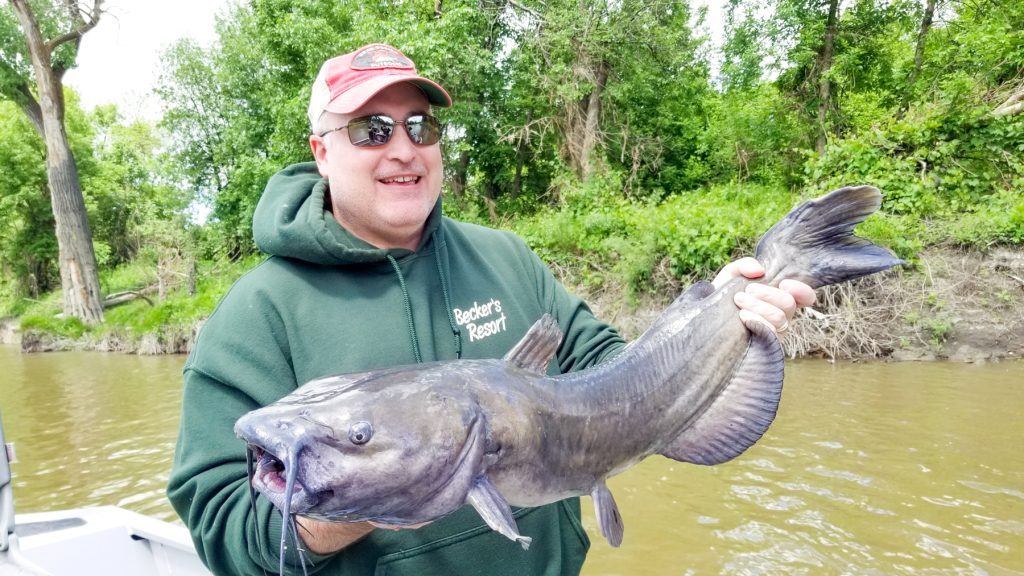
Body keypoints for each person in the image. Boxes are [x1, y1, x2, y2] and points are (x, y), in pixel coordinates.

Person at [167, 43, 815, 576]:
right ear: (321, 151)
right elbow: (226, 534)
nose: (402, 148)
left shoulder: (505, 257)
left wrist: (715, 313)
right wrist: (381, 486)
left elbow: (615, 370)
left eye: (421, 125)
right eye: (371, 129)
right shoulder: (253, 317)